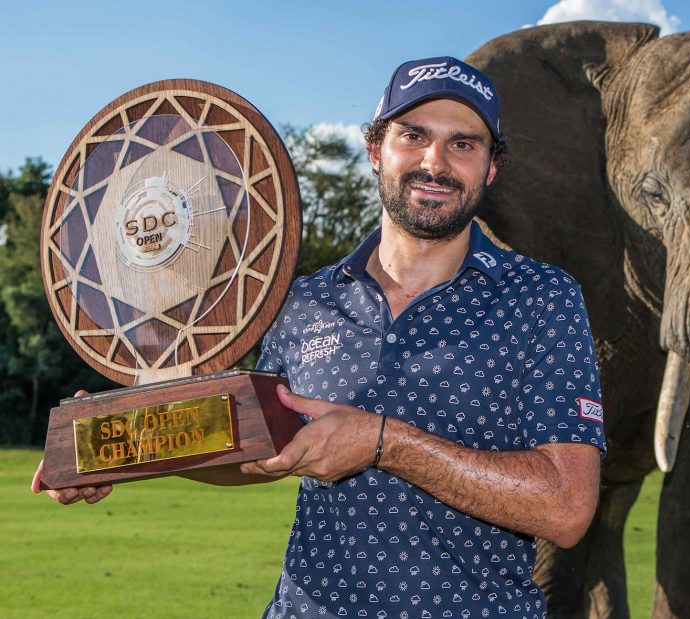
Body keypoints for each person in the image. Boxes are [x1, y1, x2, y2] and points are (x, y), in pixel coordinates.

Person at [33, 56, 605, 619]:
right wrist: (123, 441)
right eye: (413, 135)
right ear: (377, 150)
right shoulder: (304, 300)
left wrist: (386, 443)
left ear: (490, 168)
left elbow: (566, 506)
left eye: (463, 144)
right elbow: (255, 449)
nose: (435, 161)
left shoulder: (540, 298)